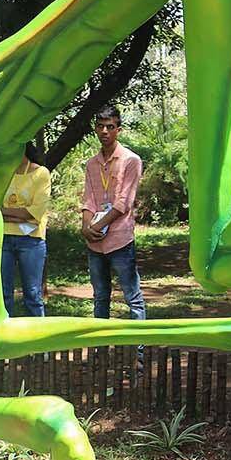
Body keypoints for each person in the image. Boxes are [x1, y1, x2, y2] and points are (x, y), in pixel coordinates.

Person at [81, 105, 146, 323]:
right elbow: (88, 199)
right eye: (100, 127)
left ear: (119, 129)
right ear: (95, 129)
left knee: (132, 298)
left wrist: (95, 228)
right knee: (100, 298)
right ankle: (101, 352)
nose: (105, 132)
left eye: (110, 127)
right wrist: (85, 227)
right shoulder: (91, 164)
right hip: (95, 243)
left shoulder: (131, 160)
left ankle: (139, 353)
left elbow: (123, 204)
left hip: (119, 239)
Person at [1, 142, 52, 317]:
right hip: (3, 238)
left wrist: (6, 213)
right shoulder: (2, 173)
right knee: (3, 292)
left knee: (32, 293)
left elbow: (36, 213)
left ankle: (38, 341)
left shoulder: (41, 173)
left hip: (31, 240)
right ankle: (5, 339)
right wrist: (22, 214)